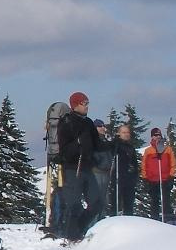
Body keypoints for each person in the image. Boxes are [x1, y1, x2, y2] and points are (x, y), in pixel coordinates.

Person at [56, 92, 102, 242]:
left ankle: (79, 230)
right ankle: (71, 236)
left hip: (87, 168)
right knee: (74, 205)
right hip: (72, 168)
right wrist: (78, 144)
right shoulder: (67, 122)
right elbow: (64, 150)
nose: (87, 106)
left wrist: (112, 144)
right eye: (84, 103)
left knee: (97, 203)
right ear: (75, 105)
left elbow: (97, 145)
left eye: (87, 103)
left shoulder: (88, 122)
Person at [141, 127, 176, 222]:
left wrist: (171, 176)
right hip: (152, 180)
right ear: (152, 137)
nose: (157, 137)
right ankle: (154, 221)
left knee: (166, 200)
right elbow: (144, 165)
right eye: (155, 135)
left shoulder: (167, 149)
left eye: (159, 135)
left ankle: (168, 219)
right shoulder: (148, 151)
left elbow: (173, 164)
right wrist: (145, 178)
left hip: (165, 179)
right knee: (154, 201)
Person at [111, 123, 139, 216]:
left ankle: (128, 222)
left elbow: (135, 164)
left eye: (127, 132)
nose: (126, 134)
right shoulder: (115, 145)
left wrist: (135, 176)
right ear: (119, 134)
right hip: (118, 177)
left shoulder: (131, 147)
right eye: (124, 132)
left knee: (129, 203)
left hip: (129, 178)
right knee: (116, 202)